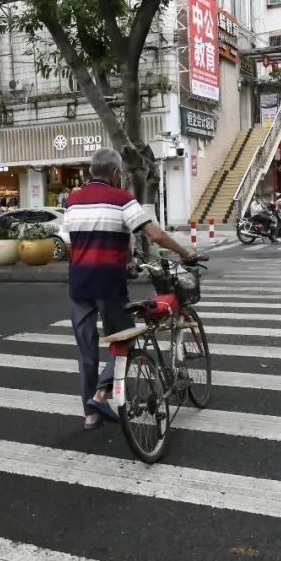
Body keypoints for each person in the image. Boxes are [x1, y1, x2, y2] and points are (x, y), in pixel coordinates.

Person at [63, 148, 197, 430]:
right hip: (108, 282)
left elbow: (72, 242)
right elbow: (155, 234)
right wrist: (185, 253)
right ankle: (101, 393)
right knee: (124, 339)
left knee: (85, 349)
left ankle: (90, 415)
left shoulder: (72, 200)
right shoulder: (122, 199)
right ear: (115, 174)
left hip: (78, 282)